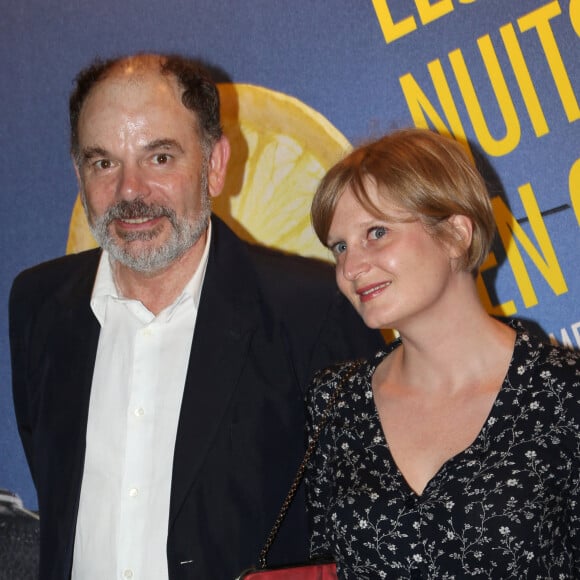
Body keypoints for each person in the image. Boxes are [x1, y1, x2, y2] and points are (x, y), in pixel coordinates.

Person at [8, 53, 384, 580]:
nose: (130, 192)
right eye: (103, 163)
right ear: (78, 172)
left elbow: (368, 531)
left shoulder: (313, 312)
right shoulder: (38, 305)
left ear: (214, 164)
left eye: (159, 158)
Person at [305, 128, 580, 579]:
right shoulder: (336, 400)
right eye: (340, 247)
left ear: (455, 233)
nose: (351, 268)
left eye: (376, 233)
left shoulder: (565, 395)